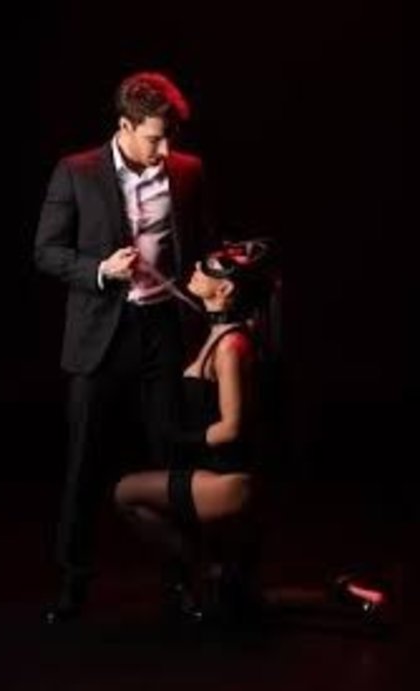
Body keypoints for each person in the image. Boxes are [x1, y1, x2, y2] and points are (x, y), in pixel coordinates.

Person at [34, 71, 214, 624]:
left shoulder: (187, 172)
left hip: (163, 333)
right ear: (125, 126)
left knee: (172, 459)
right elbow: (46, 251)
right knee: (85, 461)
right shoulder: (76, 171)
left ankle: (181, 582)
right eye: (156, 137)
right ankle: (73, 585)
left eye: (171, 137)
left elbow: (199, 245)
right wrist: (100, 270)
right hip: (100, 336)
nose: (166, 149)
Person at [114, 239, 276, 625]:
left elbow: (232, 427)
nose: (196, 270)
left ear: (226, 288)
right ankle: (215, 570)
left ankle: (203, 567)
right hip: (215, 474)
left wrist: (180, 439)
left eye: (207, 268)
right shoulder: (220, 335)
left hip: (228, 482)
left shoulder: (230, 346)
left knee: (124, 493)